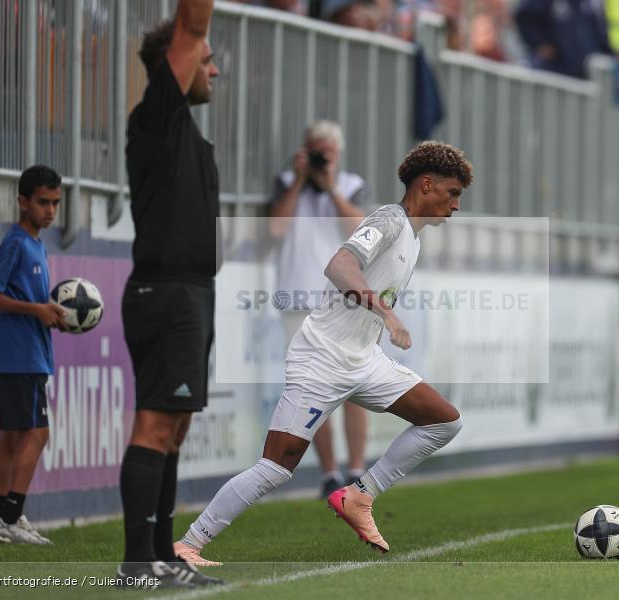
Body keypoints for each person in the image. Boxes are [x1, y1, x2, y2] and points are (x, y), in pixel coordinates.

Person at [174, 141, 472, 566]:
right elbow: (339, 266)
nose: (457, 205)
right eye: (454, 192)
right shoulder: (388, 219)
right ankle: (188, 544)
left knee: (444, 421)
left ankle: (359, 497)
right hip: (322, 358)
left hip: (363, 360)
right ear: (427, 185)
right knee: (277, 467)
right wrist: (385, 313)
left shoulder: (412, 236)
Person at [117, 0, 222, 589]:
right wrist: (195, 31)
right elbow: (191, 25)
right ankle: (137, 563)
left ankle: (161, 555)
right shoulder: (157, 113)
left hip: (192, 291)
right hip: (167, 291)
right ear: (176, 69)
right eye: (206, 62)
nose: (214, 71)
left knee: (175, 425)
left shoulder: (189, 135)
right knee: (156, 424)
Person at [269, 120, 369, 498]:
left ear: (337, 155)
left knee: (356, 386)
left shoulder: (351, 186)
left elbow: (362, 234)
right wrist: (299, 180)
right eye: (313, 151)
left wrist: (330, 189)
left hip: (345, 301)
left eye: (324, 154)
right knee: (314, 390)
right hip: (298, 299)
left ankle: (357, 469)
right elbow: (276, 229)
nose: (317, 159)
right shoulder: (286, 182)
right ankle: (329, 473)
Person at [0, 165, 65, 546]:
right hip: (18, 355)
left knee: (13, 436)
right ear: (22, 202)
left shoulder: (36, 244)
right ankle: (8, 517)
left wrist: (50, 311)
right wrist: (37, 310)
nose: (50, 210)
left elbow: (27, 298)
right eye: (42, 202)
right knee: (36, 434)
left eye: (55, 203)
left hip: (28, 354)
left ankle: (3, 517)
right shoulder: (16, 243)